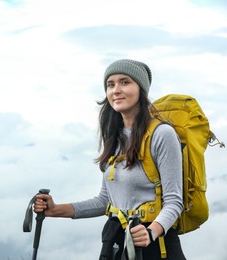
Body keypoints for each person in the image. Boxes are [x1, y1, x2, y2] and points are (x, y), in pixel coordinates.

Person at [33, 59, 186, 259]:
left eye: (125, 82)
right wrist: (55, 210)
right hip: (116, 241)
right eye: (110, 84)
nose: (116, 90)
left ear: (141, 89)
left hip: (155, 247)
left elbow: (174, 201)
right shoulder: (115, 136)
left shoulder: (162, 134)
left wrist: (151, 232)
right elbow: (105, 201)